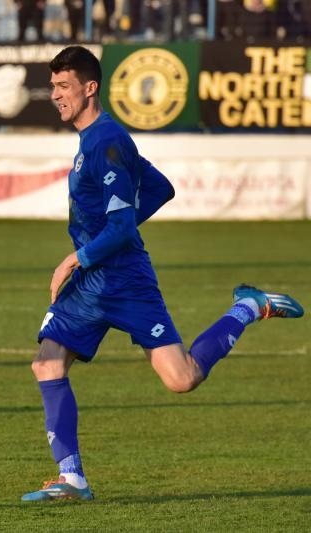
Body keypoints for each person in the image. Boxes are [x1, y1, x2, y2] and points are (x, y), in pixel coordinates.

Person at [21, 45, 304, 503]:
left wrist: (75, 258)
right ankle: (71, 478)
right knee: (47, 363)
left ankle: (248, 306)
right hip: (93, 280)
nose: (55, 94)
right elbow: (161, 188)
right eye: (53, 86)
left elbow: (119, 225)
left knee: (182, 378)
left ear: (90, 88)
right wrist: (99, 247)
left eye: (63, 86)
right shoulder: (91, 141)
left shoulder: (108, 142)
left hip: (125, 278)